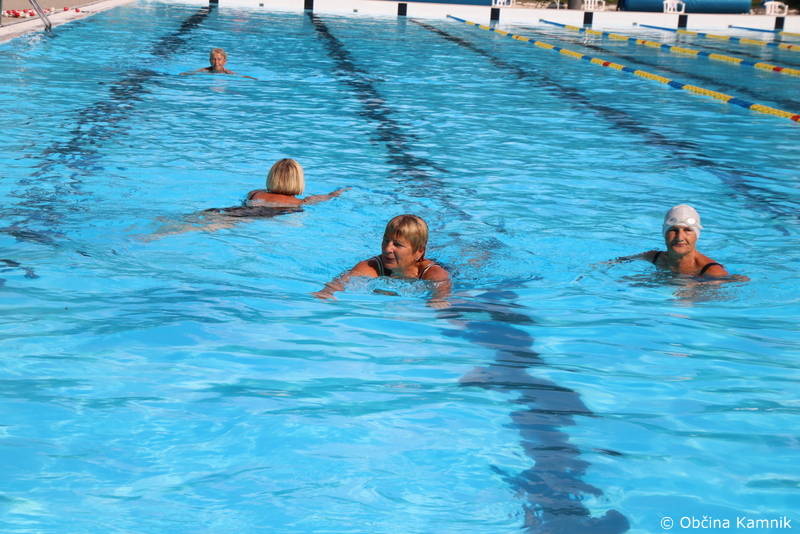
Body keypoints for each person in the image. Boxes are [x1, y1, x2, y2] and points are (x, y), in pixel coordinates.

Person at [314, 214, 451, 306]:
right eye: (386, 241)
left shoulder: (432, 273)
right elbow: (343, 281)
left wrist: (438, 300)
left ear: (419, 251)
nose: (387, 249)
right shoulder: (374, 266)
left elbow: (442, 292)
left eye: (397, 245)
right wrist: (327, 292)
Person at [619, 204, 729, 278]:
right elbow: (618, 261)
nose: (679, 237)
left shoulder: (713, 272)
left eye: (687, 230)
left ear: (696, 236)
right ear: (664, 233)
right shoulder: (654, 257)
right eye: (673, 230)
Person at [246, 158, 348, 207]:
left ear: (271, 177)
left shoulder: (254, 193)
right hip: (274, 214)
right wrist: (340, 191)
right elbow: (328, 196)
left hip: (245, 211)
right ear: (299, 181)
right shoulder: (302, 202)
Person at [180, 48, 256, 79]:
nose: (216, 62)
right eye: (214, 59)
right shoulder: (204, 70)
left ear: (225, 61)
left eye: (219, 59)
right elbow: (189, 73)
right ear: (210, 61)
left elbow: (240, 76)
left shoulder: (228, 73)